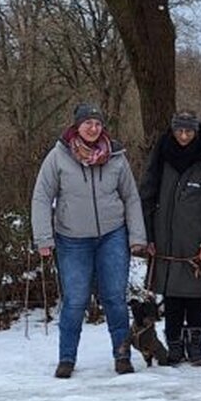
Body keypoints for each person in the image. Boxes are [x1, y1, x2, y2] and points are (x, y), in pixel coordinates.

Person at [31, 101, 149, 379]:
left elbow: (131, 197)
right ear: (77, 126)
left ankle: (122, 355)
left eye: (97, 124)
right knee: (75, 300)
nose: (93, 128)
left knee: (115, 299)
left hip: (112, 235)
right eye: (88, 123)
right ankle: (67, 358)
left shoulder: (117, 157)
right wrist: (43, 238)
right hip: (72, 239)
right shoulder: (58, 157)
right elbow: (41, 197)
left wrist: (137, 237)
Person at [138, 111, 201, 366]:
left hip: (199, 241)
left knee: (196, 298)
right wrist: (148, 235)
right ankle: (175, 344)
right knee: (173, 298)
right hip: (166, 240)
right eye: (180, 131)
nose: (184, 136)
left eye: (189, 131)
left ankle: (196, 345)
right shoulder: (161, 154)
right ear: (173, 130)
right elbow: (146, 194)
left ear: (197, 131)